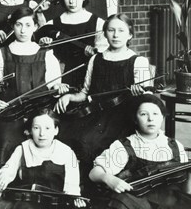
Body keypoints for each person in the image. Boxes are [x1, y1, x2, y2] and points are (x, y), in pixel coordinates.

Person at [54, 13, 151, 180]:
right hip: (95, 114)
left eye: (121, 30)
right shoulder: (95, 59)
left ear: (130, 34)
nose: (115, 35)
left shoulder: (138, 61)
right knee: (66, 136)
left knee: (91, 143)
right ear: (105, 33)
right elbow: (85, 93)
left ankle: (94, 184)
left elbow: (148, 100)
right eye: (111, 30)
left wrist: (139, 94)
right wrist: (69, 97)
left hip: (124, 118)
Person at [0, 108, 91, 209]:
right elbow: (9, 169)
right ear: (30, 130)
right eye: (36, 128)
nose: (42, 134)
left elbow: (72, 182)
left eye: (48, 128)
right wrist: (5, 175)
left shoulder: (66, 151)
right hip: (30, 201)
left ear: (56, 130)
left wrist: (74, 197)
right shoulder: (23, 148)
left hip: (57, 202)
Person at [0, 6, 68, 164]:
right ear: (12, 26)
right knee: (5, 147)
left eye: (28, 25)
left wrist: (59, 88)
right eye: (18, 25)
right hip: (10, 113)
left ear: (36, 27)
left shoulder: (46, 54)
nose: (23, 30)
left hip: (40, 113)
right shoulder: (0, 54)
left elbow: (54, 85)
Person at [37, 0, 108, 89]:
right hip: (60, 77)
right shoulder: (53, 23)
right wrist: (44, 42)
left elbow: (104, 54)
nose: (71, 1)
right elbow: (40, 47)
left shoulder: (98, 23)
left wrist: (95, 53)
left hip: (89, 76)